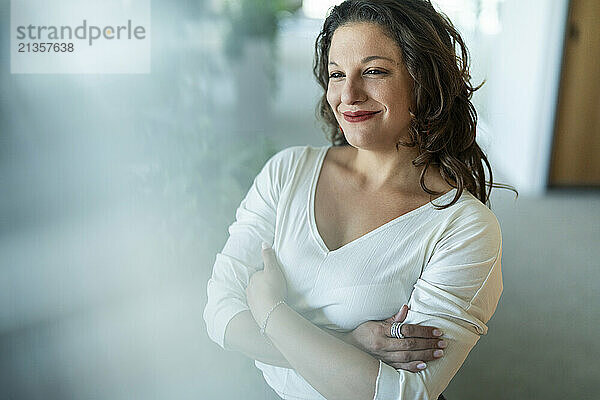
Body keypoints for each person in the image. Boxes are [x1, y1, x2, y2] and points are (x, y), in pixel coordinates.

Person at [204, 0, 515, 398]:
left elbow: (400, 392)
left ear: (424, 79)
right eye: (337, 74)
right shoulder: (287, 172)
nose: (348, 94)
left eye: (373, 71)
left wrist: (268, 310)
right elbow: (219, 313)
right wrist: (350, 345)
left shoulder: (465, 228)